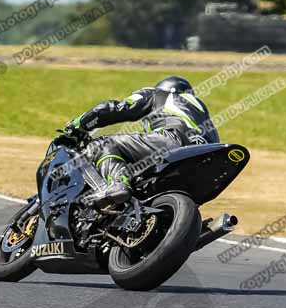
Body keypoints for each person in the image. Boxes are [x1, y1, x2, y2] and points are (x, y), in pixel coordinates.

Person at [61, 76, 219, 209]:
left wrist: (78, 125)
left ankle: (117, 183)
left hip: (171, 141)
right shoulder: (203, 117)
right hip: (207, 163)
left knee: (103, 145)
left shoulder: (159, 94)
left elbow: (113, 109)